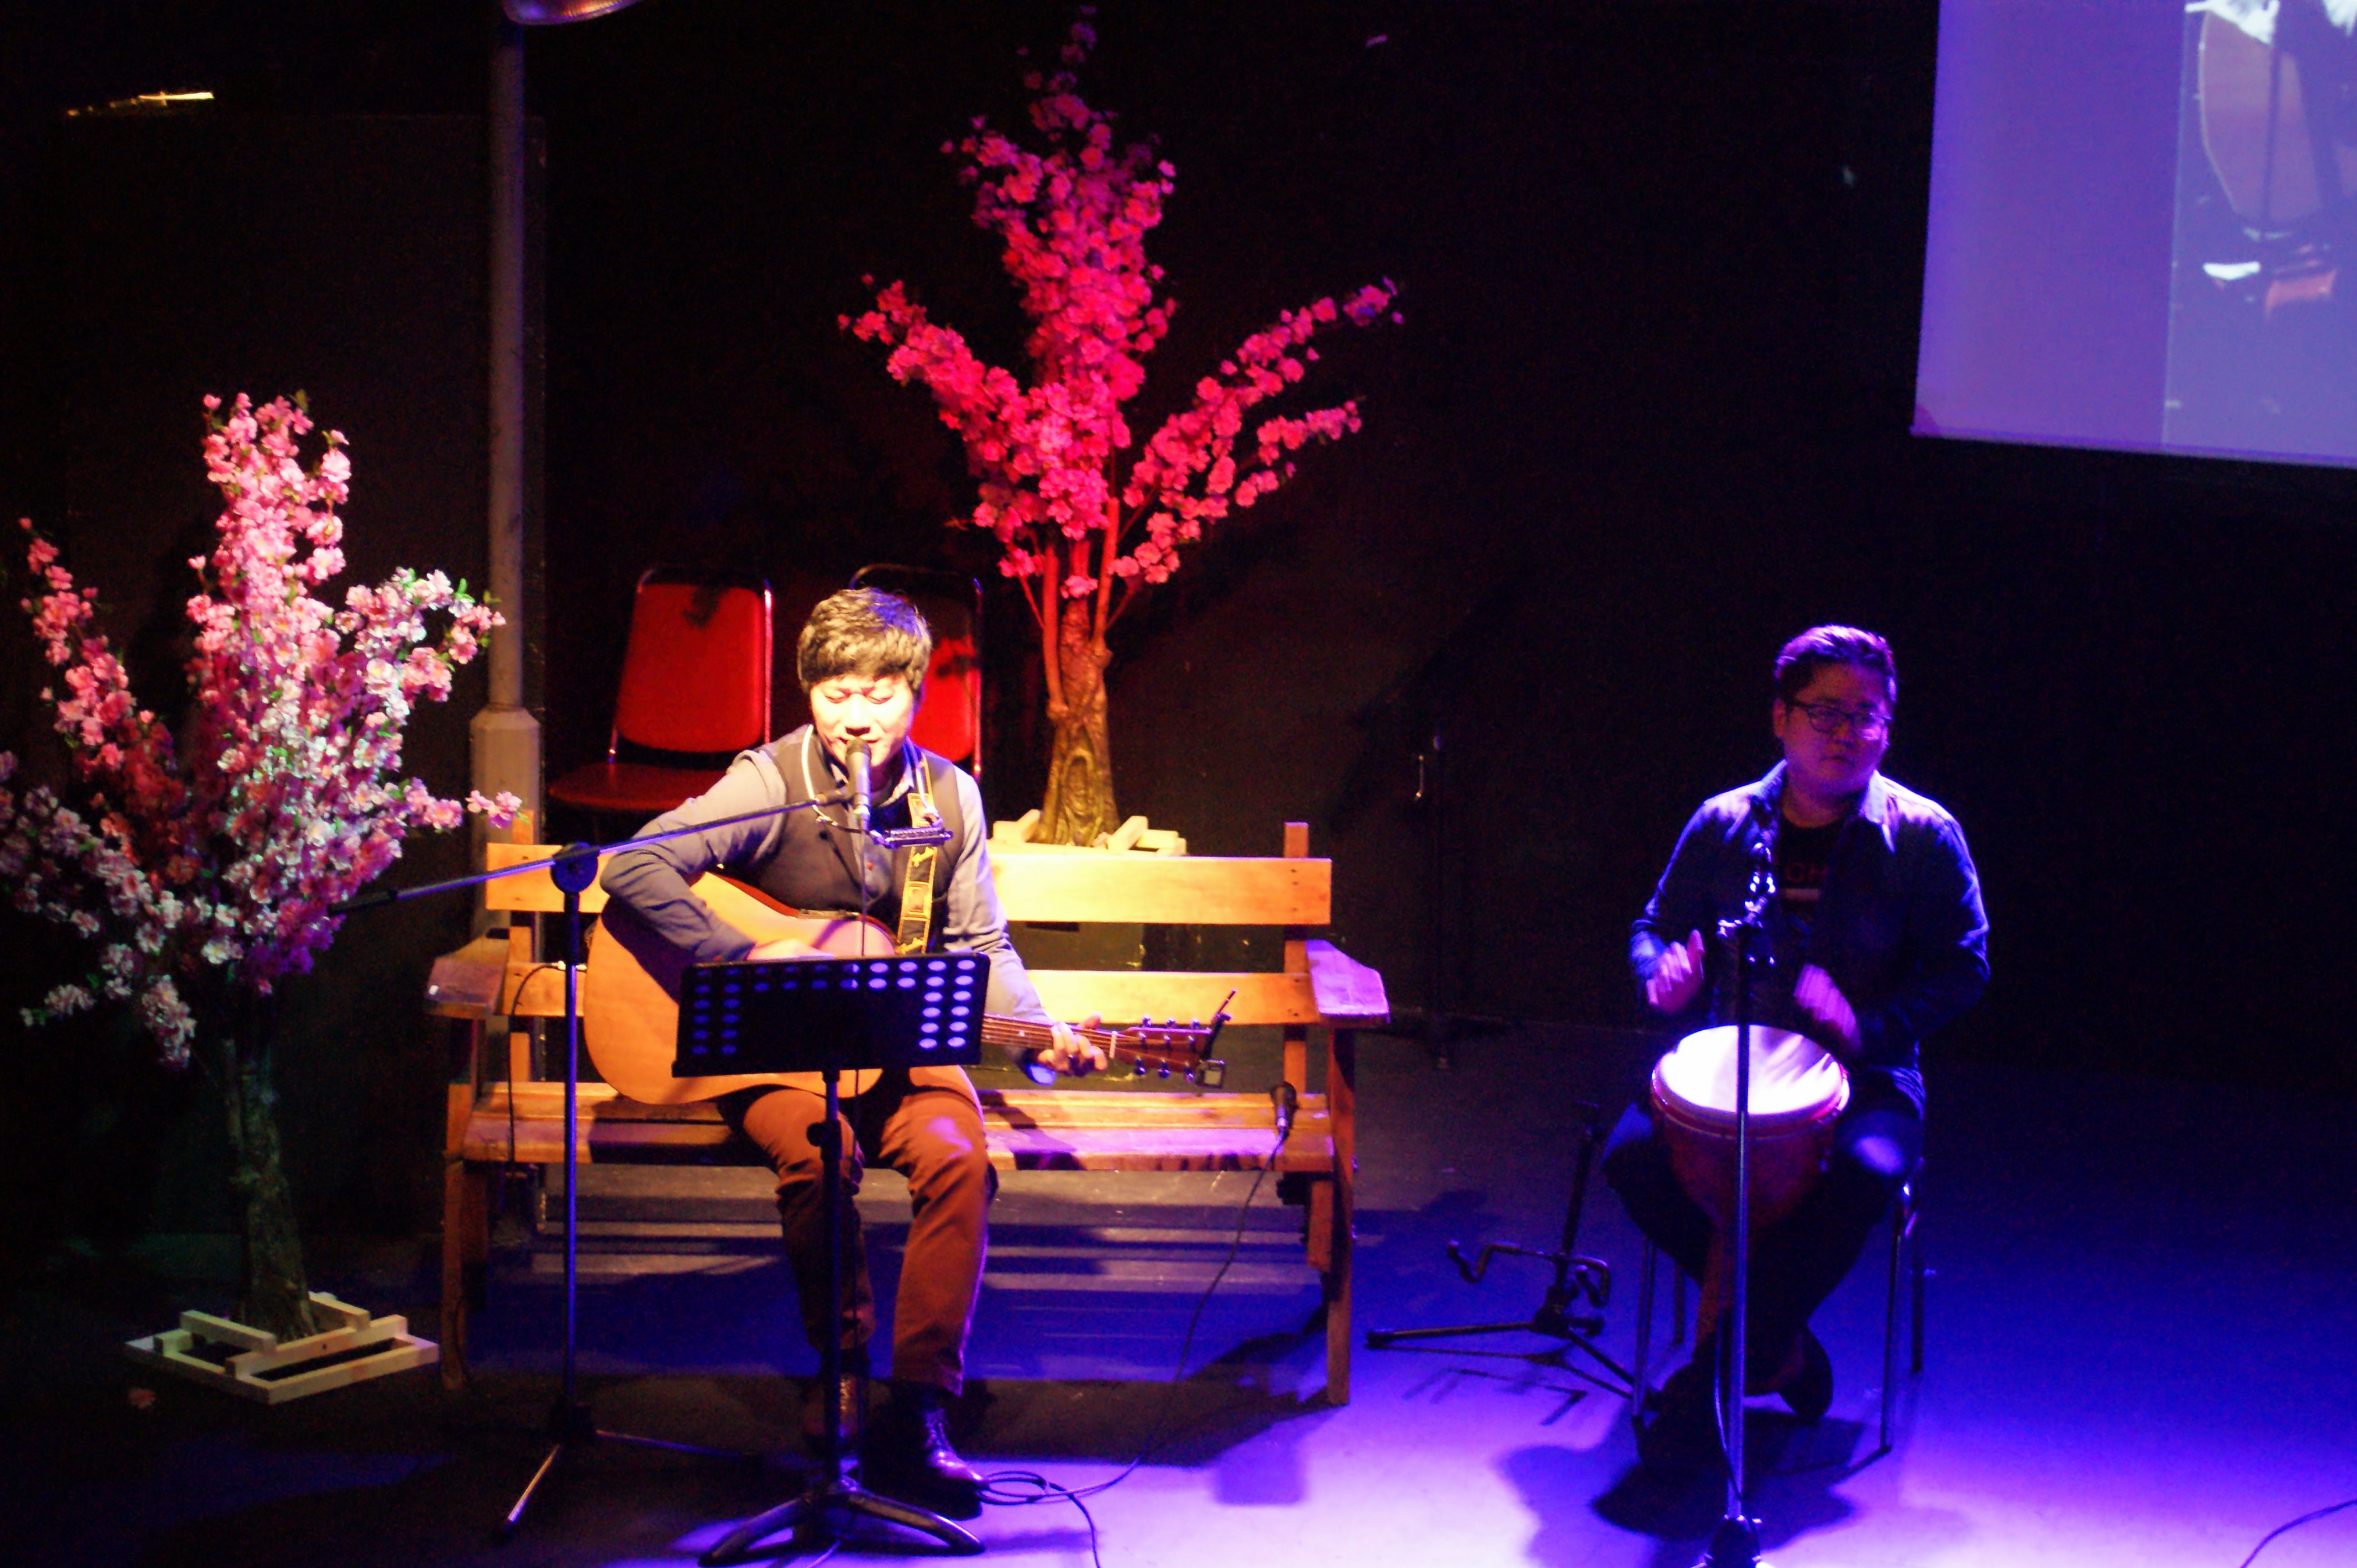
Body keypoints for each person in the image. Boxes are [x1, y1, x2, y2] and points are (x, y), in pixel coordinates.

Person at [599, 588, 1102, 1515]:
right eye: (835, 693)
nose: (857, 715)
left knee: (959, 1160)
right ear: (809, 694)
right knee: (818, 1154)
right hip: (777, 1045)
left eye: (879, 692)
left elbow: (980, 946)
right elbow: (634, 864)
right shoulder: (773, 779)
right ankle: (840, 1371)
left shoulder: (948, 795)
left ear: (915, 693)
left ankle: (919, 1407)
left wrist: (1040, 1038)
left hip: (897, 1041)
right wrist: (743, 954)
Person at [1606, 625, 1989, 1476]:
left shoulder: (1923, 834)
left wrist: (1866, 1025)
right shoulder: (1724, 821)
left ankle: (1714, 1382)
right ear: (1781, 717)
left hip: (1866, 1075)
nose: (1846, 732)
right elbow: (1653, 926)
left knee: (1864, 1171)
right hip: (1727, 1063)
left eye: (1866, 716)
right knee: (1630, 1158)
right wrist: (1659, 975)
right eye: (1825, 712)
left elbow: (1965, 967)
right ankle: (1779, 1350)